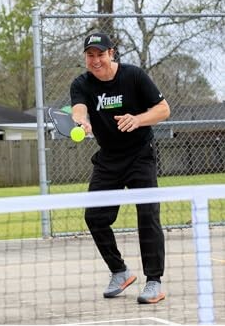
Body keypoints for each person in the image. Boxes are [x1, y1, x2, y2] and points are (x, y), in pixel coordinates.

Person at [70, 32, 170, 304]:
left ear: (111, 53)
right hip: (109, 159)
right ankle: (120, 271)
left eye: (100, 54)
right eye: (90, 55)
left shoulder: (134, 76)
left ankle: (154, 282)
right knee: (95, 217)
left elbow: (163, 110)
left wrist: (138, 119)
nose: (95, 60)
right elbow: (78, 109)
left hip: (140, 155)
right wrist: (82, 122)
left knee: (147, 215)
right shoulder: (82, 83)